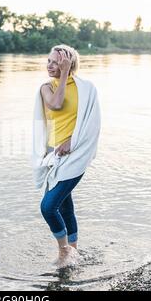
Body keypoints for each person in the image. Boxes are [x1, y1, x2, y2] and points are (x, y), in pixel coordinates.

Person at [31, 44, 101, 268]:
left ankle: (64, 254)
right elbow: (56, 103)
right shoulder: (45, 88)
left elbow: (93, 124)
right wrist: (62, 77)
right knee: (64, 206)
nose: (50, 65)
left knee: (48, 207)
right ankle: (74, 252)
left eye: (55, 62)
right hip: (54, 157)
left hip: (76, 154)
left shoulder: (87, 89)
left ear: (68, 64)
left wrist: (72, 141)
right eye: (49, 61)